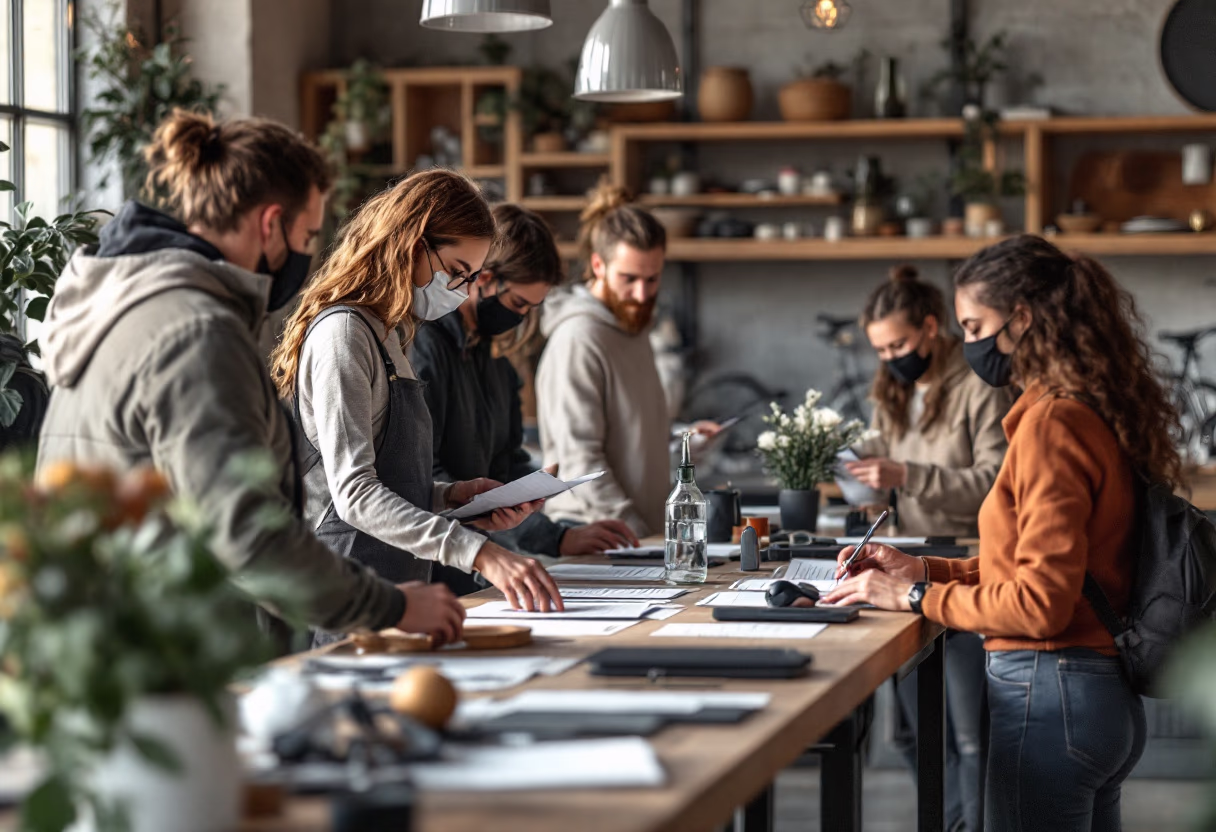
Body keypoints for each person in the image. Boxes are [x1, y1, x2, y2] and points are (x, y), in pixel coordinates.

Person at [36, 110, 465, 648]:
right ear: (270, 223)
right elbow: (247, 534)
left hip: (97, 640)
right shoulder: (197, 333)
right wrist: (392, 604)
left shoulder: (124, 308)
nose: (311, 253)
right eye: (309, 233)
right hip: (158, 653)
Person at [824, 235, 1181, 832]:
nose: (967, 345)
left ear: (1021, 320)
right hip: (1090, 699)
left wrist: (913, 599)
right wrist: (922, 571)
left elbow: (1039, 606)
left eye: (972, 326)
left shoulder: (1051, 426)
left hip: (1052, 697)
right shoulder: (1082, 408)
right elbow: (1028, 567)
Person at [270, 169, 564, 631]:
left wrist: (453, 497)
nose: (462, 293)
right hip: (348, 600)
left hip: (398, 598)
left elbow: (393, 484)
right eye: (456, 272)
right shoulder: (343, 334)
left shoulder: (389, 334)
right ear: (411, 242)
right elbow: (352, 495)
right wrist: (478, 553)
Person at [852, 265, 1015, 832]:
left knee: (969, 734)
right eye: (881, 348)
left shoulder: (979, 386)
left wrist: (908, 472)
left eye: (898, 343)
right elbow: (883, 454)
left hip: (970, 564)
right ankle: (950, 824)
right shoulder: (896, 388)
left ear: (929, 328)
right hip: (909, 564)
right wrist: (866, 478)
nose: (891, 356)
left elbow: (996, 478)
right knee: (909, 732)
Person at [411, 203, 640, 582]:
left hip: (476, 569)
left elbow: (506, 464)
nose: (519, 319)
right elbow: (422, 476)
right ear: (482, 277)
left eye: (531, 309)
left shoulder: (496, 355)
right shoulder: (425, 346)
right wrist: (491, 550)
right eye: (518, 304)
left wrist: (558, 535)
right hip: (431, 570)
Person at [536, 185, 716, 537]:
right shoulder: (579, 338)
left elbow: (632, 439)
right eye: (629, 279)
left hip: (637, 537)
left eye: (652, 279)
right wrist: (635, 532)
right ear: (598, 265)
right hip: (596, 537)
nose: (642, 294)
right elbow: (579, 460)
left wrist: (687, 441)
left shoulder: (634, 328)